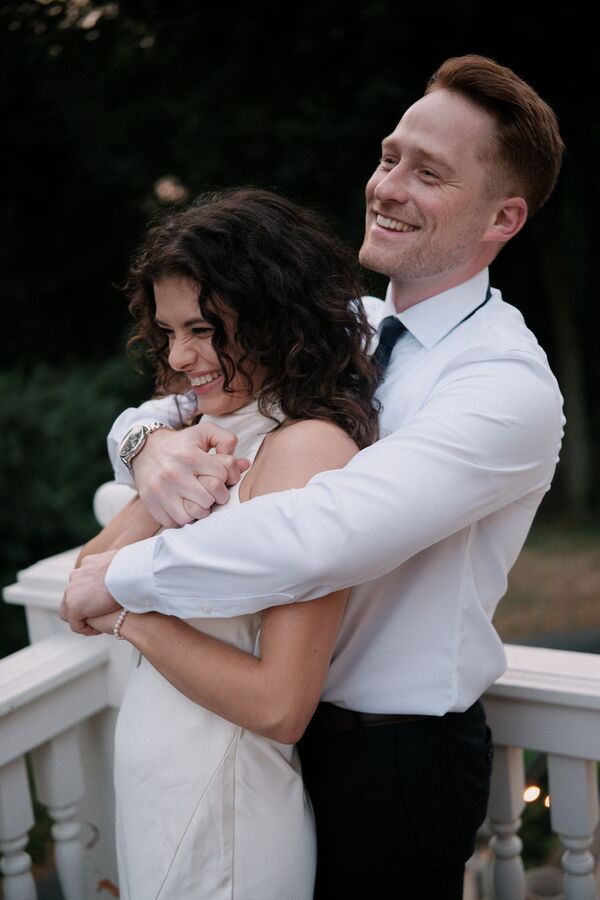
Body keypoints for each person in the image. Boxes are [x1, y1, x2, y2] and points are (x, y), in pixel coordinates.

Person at [61, 55, 565, 899]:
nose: (388, 186)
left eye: (428, 172)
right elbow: (192, 394)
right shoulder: (344, 328)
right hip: (268, 733)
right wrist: (144, 442)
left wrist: (117, 587)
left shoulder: (504, 384)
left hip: (393, 758)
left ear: (502, 216)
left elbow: (321, 533)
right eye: (389, 156)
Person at [70, 187, 381, 899]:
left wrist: (128, 615)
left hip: (225, 812)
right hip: (165, 788)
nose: (180, 356)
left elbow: (281, 704)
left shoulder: (307, 448)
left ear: (274, 314)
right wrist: (164, 456)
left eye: (204, 329)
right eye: (168, 331)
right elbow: (82, 583)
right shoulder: (212, 428)